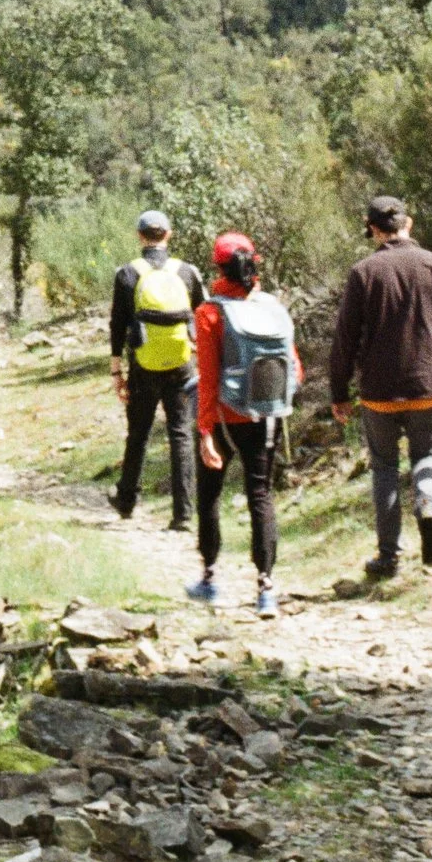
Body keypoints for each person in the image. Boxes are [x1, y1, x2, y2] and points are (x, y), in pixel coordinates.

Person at [328, 195, 432, 579]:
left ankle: (388, 557)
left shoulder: (363, 273)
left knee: (384, 467)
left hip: (378, 394)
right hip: (427, 387)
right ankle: (429, 509)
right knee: (428, 457)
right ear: (410, 223)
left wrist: (339, 393)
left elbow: (344, 341)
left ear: (373, 230)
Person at [185, 231, 302, 618]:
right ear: (256, 263)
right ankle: (266, 587)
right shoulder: (273, 307)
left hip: (223, 416)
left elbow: (207, 376)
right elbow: (295, 370)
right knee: (260, 494)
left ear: (218, 267)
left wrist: (204, 432)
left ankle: (209, 577)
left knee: (210, 493)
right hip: (265, 415)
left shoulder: (209, 313)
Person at [109, 209, 206, 531]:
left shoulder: (127, 273)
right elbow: (202, 316)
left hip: (143, 365)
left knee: (138, 431)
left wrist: (115, 370)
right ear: (169, 234)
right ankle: (183, 514)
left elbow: (118, 325)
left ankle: (126, 501)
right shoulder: (187, 272)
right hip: (182, 363)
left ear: (140, 236)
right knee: (180, 433)